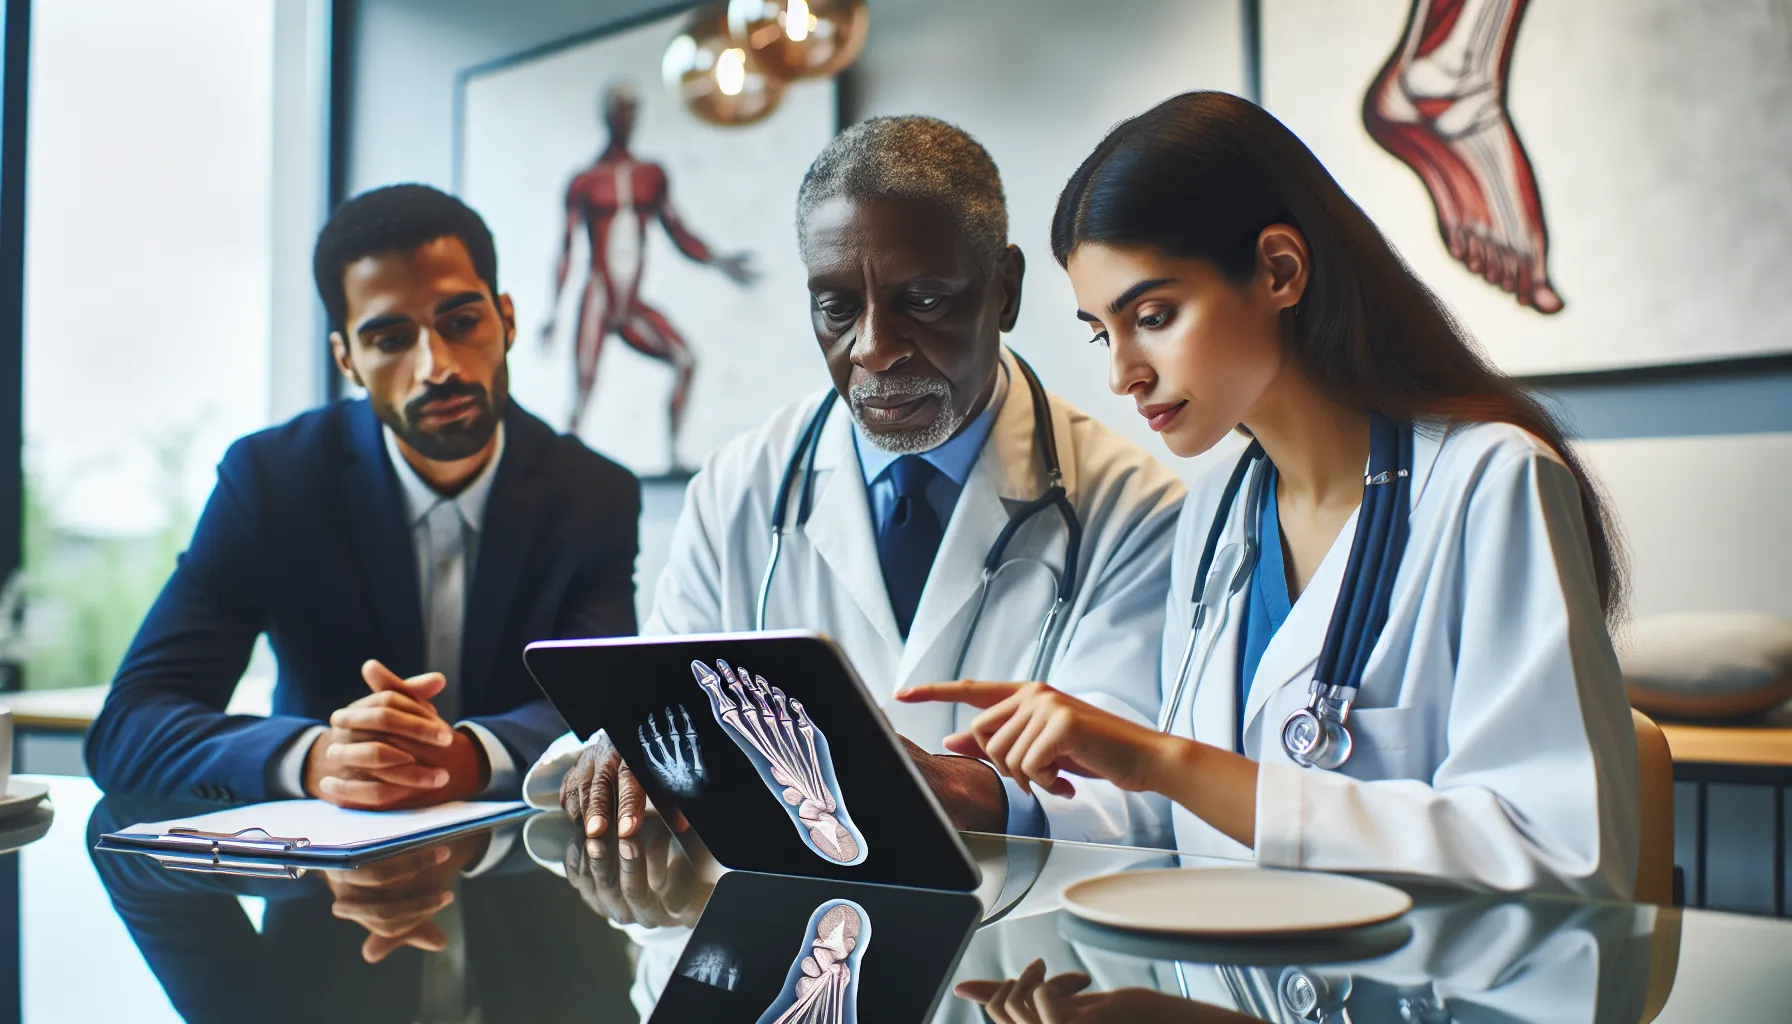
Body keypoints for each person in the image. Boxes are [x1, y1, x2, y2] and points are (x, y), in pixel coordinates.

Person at [900, 92, 1638, 899]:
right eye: (1101, 332)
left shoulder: (1490, 483)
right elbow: (1196, 817)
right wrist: (991, 794)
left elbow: (1555, 854)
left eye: (1152, 314)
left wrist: (1161, 757)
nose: (1123, 373)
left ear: (1280, 269)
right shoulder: (1216, 514)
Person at [534, 116, 1186, 850]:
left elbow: (1144, 798)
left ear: (1004, 290)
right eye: (838, 307)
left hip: (1022, 954)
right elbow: (651, 717)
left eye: (924, 301)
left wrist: (978, 793)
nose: (873, 349)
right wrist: (626, 754)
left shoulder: (1136, 509)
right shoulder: (740, 485)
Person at [85, 184, 640, 809]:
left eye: (461, 322)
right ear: (346, 358)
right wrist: (317, 759)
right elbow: (129, 727)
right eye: (391, 339)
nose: (438, 366)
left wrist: (474, 755)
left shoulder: (595, 492)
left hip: (534, 880)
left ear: (506, 319)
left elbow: (615, 711)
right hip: (323, 889)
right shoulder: (271, 482)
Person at [540, 81, 758, 462]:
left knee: (686, 360)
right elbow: (566, 249)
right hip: (599, 296)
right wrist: (553, 313)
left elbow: (678, 231)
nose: (629, 118)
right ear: (608, 116)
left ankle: (674, 454)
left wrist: (720, 261)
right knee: (583, 389)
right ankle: (564, 467)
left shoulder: (650, 175)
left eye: (633, 109)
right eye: (623, 109)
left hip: (631, 304)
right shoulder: (585, 181)